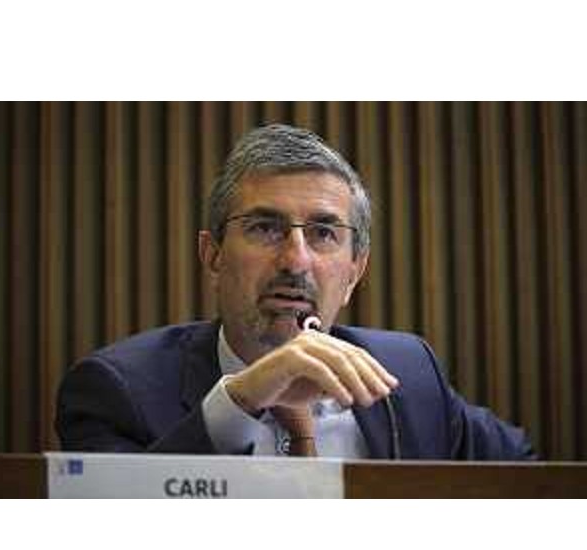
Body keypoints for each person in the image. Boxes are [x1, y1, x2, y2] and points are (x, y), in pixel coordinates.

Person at [56, 123, 534, 460]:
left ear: (354, 272)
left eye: (324, 233)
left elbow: (536, 481)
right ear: (213, 255)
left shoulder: (408, 374)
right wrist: (240, 401)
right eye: (265, 228)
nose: (296, 260)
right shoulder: (117, 391)